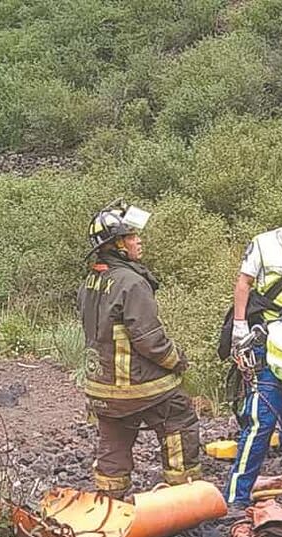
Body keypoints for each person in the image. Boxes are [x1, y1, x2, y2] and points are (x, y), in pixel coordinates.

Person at [78, 199, 201, 498]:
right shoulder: (131, 283)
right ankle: (184, 492)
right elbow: (150, 340)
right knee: (178, 416)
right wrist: (178, 361)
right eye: (131, 236)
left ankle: (110, 499)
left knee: (114, 436)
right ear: (117, 245)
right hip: (135, 385)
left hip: (101, 386)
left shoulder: (91, 281)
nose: (138, 241)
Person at [225, 191, 282, 509]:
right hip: (271, 341)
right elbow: (244, 282)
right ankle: (237, 496)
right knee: (261, 418)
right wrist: (240, 327)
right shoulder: (265, 243)